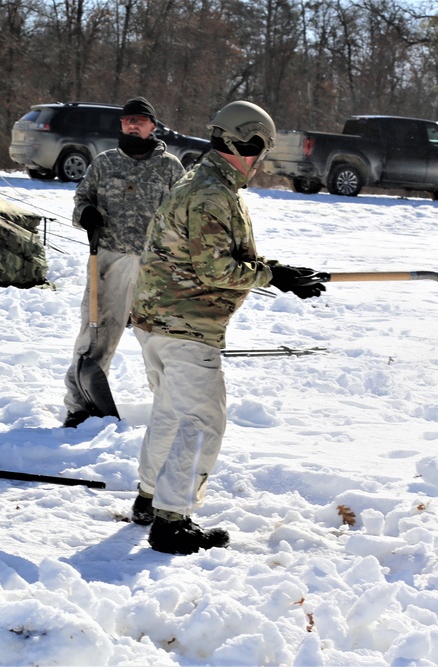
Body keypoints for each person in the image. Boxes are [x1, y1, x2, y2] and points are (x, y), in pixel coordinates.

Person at [129, 100, 326, 554]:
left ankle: (149, 498)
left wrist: (277, 269)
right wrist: (271, 276)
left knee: (170, 413)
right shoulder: (213, 193)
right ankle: (171, 521)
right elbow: (215, 268)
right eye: (260, 150)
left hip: (158, 321)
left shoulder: (203, 180)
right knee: (202, 420)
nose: (260, 162)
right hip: (185, 326)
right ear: (247, 143)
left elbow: (210, 253)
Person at [62, 97, 186, 428]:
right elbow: (81, 199)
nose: (133, 124)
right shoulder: (104, 163)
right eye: (128, 120)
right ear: (121, 125)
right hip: (109, 259)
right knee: (95, 333)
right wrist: (85, 213)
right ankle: (79, 405)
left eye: (140, 120)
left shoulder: (171, 167)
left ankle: (168, 407)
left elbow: (185, 213)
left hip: (155, 265)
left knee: (160, 339)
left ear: (153, 126)